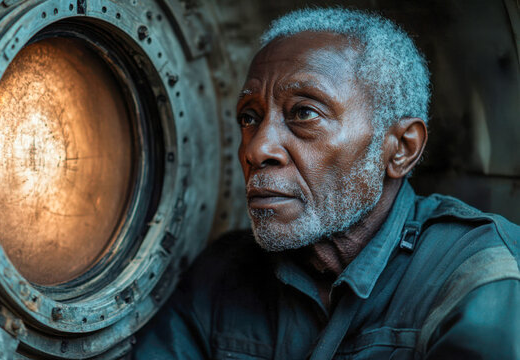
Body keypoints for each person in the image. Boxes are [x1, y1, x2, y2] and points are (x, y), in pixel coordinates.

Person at [134, 7, 520, 360]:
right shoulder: (222, 275)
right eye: (250, 117)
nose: (257, 149)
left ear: (401, 149)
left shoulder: (478, 272)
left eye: (304, 113)